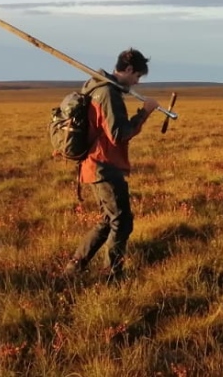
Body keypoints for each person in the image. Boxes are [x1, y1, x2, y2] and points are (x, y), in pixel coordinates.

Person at [63, 48, 160, 281]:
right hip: (104, 165)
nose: (136, 83)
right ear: (128, 70)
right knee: (122, 222)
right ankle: (112, 276)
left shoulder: (98, 87)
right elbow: (119, 134)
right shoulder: (107, 92)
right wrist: (144, 113)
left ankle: (74, 267)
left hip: (96, 164)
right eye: (137, 77)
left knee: (108, 220)